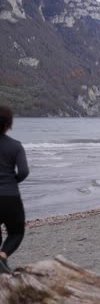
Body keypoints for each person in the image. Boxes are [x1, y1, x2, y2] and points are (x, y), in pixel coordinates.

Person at [0, 105, 29, 274]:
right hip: (10, 197)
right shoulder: (16, 146)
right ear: (8, 124)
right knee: (16, 232)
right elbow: (24, 171)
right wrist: (13, 181)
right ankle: (3, 256)